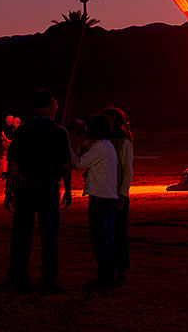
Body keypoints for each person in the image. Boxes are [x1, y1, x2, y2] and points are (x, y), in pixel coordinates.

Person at [3, 89, 71, 293]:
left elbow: (13, 163)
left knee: (21, 233)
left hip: (25, 186)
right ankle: (49, 279)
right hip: (49, 186)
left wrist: (8, 190)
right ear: (50, 106)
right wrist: (67, 189)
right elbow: (66, 165)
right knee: (49, 234)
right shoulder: (59, 132)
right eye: (55, 105)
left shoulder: (23, 130)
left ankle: (17, 275)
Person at [72, 115, 120, 291]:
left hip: (101, 198)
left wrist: (73, 148)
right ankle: (109, 274)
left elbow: (78, 164)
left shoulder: (100, 147)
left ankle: (104, 276)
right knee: (106, 237)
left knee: (99, 238)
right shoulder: (107, 146)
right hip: (108, 197)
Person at [104, 106, 134, 283]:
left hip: (116, 194)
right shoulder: (105, 140)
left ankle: (120, 269)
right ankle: (110, 267)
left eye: (107, 120)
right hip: (106, 192)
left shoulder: (123, 142)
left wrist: (122, 195)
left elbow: (127, 171)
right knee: (107, 233)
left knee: (118, 233)